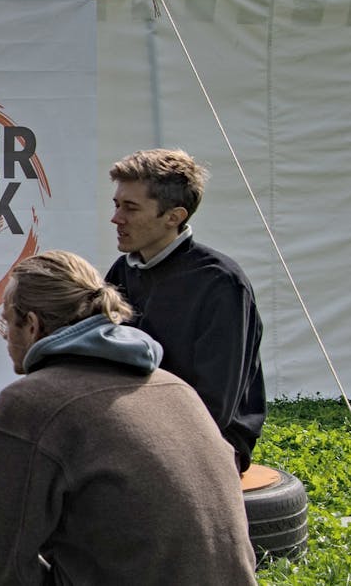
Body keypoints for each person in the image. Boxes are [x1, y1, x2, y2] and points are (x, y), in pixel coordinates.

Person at [0, 250, 256, 586]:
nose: (3, 335)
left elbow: (2, 564)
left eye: (7, 321)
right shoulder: (174, 385)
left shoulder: (30, 403)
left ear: (32, 325)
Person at [105, 148, 265, 473]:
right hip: (132, 427)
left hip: (210, 441)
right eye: (116, 205)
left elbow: (214, 407)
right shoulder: (122, 271)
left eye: (130, 208)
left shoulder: (221, 283)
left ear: (174, 217)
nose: (116, 218)